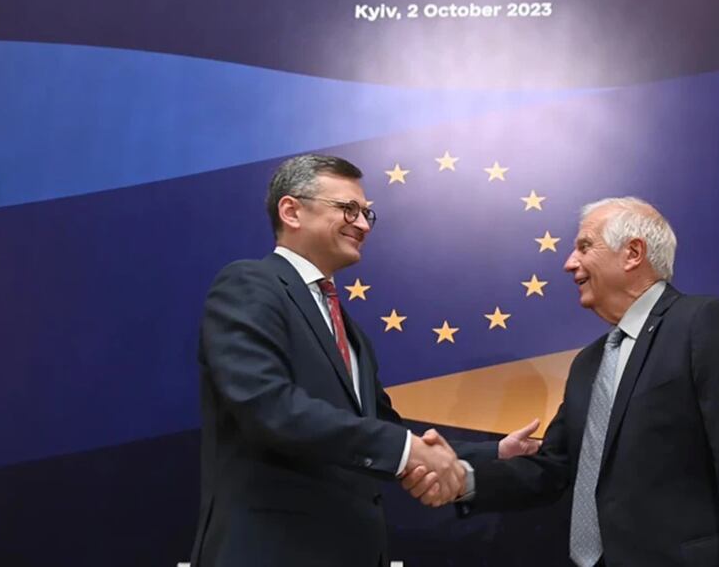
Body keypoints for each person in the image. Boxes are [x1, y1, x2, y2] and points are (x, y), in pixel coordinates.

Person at [190, 154, 539, 567]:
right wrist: (409, 451)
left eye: (367, 212)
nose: (363, 224)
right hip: (272, 550)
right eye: (348, 209)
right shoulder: (249, 284)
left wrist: (490, 453)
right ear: (292, 210)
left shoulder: (348, 328)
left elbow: (382, 430)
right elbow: (268, 406)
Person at [406, 197, 719, 566]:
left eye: (584, 246)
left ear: (632, 254)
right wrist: (463, 479)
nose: (568, 263)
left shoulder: (702, 324)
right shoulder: (589, 363)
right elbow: (551, 468)